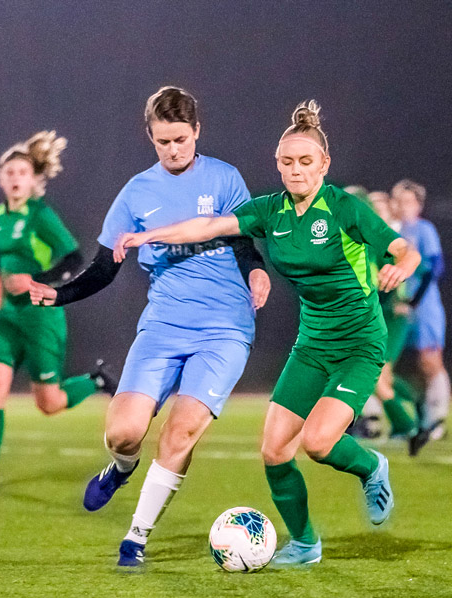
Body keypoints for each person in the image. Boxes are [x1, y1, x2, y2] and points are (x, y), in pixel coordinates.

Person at [114, 101, 420, 567]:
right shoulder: (271, 211)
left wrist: (401, 267)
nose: (296, 170)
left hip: (359, 344)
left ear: (324, 164)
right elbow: (209, 225)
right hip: (312, 345)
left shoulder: (345, 208)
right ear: (278, 164)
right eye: (287, 161)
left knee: (318, 443)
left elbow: (403, 249)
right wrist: (148, 235)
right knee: (275, 450)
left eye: (305, 161)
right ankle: (305, 545)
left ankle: (372, 466)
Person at [29, 86, 270, 567]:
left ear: (197, 131)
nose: (174, 150)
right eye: (164, 142)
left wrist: (257, 271)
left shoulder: (224, 178)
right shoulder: (136, 193)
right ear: (150, 137)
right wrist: (59, 294)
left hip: (224, 328)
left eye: (181, 139)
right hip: (163, 326)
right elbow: (105, 267)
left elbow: (243, 240)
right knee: (123, 433)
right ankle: (121, 469)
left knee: (179, 433)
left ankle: (135, 539)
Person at [0, 131, 115, 491]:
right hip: (8, 317)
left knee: (49, 403)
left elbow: (74, 258)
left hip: (41, 318)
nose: (16, 178)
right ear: (0, 179)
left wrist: (38, 280)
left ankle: (96, 380)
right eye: (10, 173)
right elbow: (0, 260)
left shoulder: (41, 216)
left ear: (34, 180)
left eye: (22, 172)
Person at [346, 188, 423, 452]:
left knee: (376, 376)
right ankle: (406, 415)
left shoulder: (380, 238)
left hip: (387, 316)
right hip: (371, 315)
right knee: (375, 375)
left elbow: (409, 267)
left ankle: (406, 421)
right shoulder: (356, 237)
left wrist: (401, 299)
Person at [391, 179, 450, 446]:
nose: (402, 206)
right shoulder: (392, 230)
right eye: (399, 201)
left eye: (408, 201)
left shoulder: (424, 229)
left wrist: (415, 301)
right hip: (398, 306)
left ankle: (437, 419)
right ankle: (418, 418)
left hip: (424, 305)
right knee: (401, 366)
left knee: (429, 360)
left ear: (418, 205)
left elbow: (436, 266)